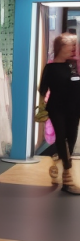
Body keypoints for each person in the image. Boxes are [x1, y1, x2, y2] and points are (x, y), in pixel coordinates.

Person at [39, 32, 80, 193]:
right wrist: (41, 108)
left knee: (71, 139)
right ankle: (68, 178)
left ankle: (58, 158)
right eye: (71, 45)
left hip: (74, 109)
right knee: (62, 137)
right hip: (57, 108)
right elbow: (43, 89)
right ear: (61, 47)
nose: (73, 48)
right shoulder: (50, 68)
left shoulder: (74, 66)